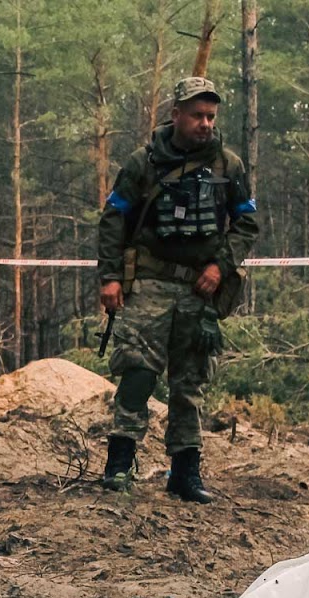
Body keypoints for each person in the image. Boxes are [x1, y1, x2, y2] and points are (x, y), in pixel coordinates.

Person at [95, 76, 259, 504]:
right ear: (176, 115)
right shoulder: (142, 163)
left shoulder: (229, 165)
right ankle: (118, 467)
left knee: (190, 383)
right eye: (197, 116)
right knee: (138, 372)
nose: (205, 124)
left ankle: (185, 474)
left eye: (211, 116)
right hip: (148, 283)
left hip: (198, 289)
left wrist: (220, 268)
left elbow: (246, 224)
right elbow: (114, 219)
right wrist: (110, 277)